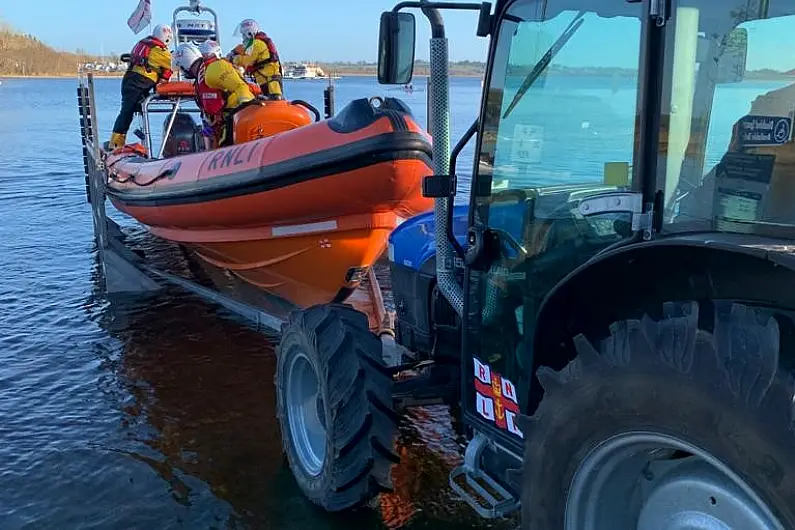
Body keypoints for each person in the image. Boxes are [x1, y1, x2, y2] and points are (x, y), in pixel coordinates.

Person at [110, 24, 174, 149]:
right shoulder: (160, 51)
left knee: (130, 110)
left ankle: (129, 141)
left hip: (131, 80)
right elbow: (172, 65)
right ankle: (116, 142)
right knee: (127, 112)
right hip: (139, 83)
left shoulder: (143, 43)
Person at [192, 40, 256, 148]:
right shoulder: (217, 67)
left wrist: (246, 105)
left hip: (236, 115)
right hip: (233, 116)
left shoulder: (214, 69)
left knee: (227, 142)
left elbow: (240, 87)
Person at [229, 19, 284, 100]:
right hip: (265, 80)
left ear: (249, 33)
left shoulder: (257, 44)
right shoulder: (257, 43)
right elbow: (243, 49)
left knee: (273, 102)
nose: (243, 37)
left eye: (243, 35)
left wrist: (233, 59)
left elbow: (246, 61)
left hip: (270, 83)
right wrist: (234, 52)